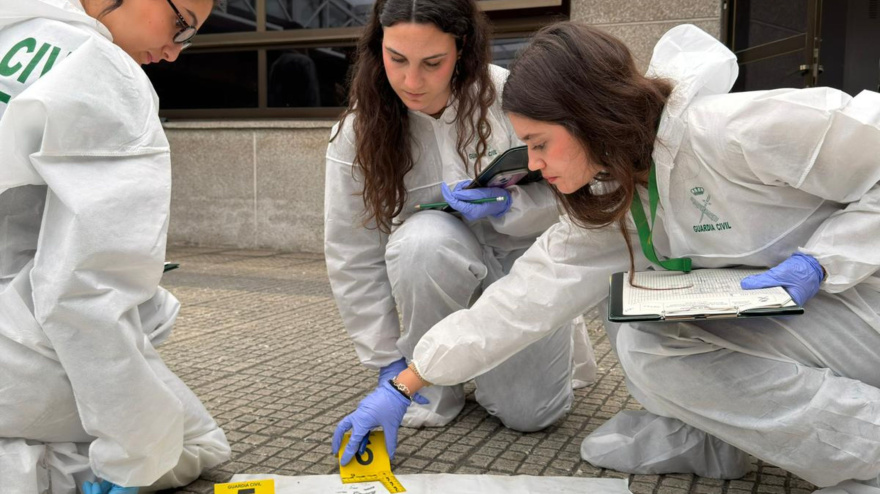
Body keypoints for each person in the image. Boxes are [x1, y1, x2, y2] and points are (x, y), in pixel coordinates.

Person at [337, 20, 880, 489]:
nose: (532, 162)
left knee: (656, 344)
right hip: (804, 317)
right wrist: (406, 383)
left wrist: (823, 260)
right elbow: (523, 300)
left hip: (861, 303)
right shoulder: (613, 195)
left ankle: (868, 455)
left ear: (588, 116)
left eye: (540, 142)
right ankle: (719, 438)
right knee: (640, 325)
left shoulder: (730, 131)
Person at [326, 0, 598, 465]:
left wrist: (510, 207)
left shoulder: (509, 96)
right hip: (437, 273)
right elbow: (352, 253)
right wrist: (386, 363)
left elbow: (571, 196)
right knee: (422, 240)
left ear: (463, 49)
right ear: (378, 48)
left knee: (532, 414)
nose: (412, 82)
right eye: (397, 60)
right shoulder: (358, 131)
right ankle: (434, 387)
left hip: (520, 270)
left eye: (433, 63)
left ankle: (491, 372)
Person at [0, 0, 231, 492]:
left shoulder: (12, 25)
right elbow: (85, 295)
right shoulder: (102, 72)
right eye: (181, 24)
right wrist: (135, 457)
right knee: (191, 442)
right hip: (9, 351)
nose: (174, 52)